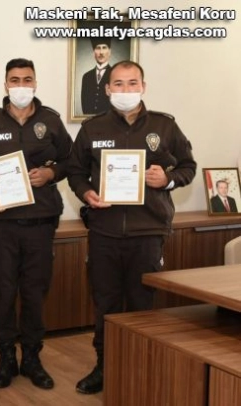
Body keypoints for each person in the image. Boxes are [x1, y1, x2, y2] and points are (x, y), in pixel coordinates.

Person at [67, 60, 197, 395]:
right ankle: (104, 365)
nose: (126, 90)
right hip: (104, 232)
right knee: (106, 303)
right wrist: (86, 193)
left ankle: (142, 366)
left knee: (142, 304)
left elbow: (188, 166)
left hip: (147, 233)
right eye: (119, 84)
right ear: (107, 89)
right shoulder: (93, 128)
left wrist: (167, 179)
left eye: (132, 83)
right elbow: (75, 171)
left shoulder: (164, 126)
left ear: (143, 86)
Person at [0, 58, 72, 390]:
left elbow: (71, 160)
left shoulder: (51, 121)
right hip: (2, 223)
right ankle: (6, 358)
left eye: (27, 79)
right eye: (14, 80)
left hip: (41, 221)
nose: (21, 85)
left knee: (34, 291)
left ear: (35, 83)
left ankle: (32, 357)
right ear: (5, 85)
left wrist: (51, 173)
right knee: (3, 291)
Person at [81, 38, 112, 114]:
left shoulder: (115, 74)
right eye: (98, 48)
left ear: (109, 52)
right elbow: (84, 102)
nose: (101, 52)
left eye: (104, 48)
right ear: (93, 52)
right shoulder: (86, 77)